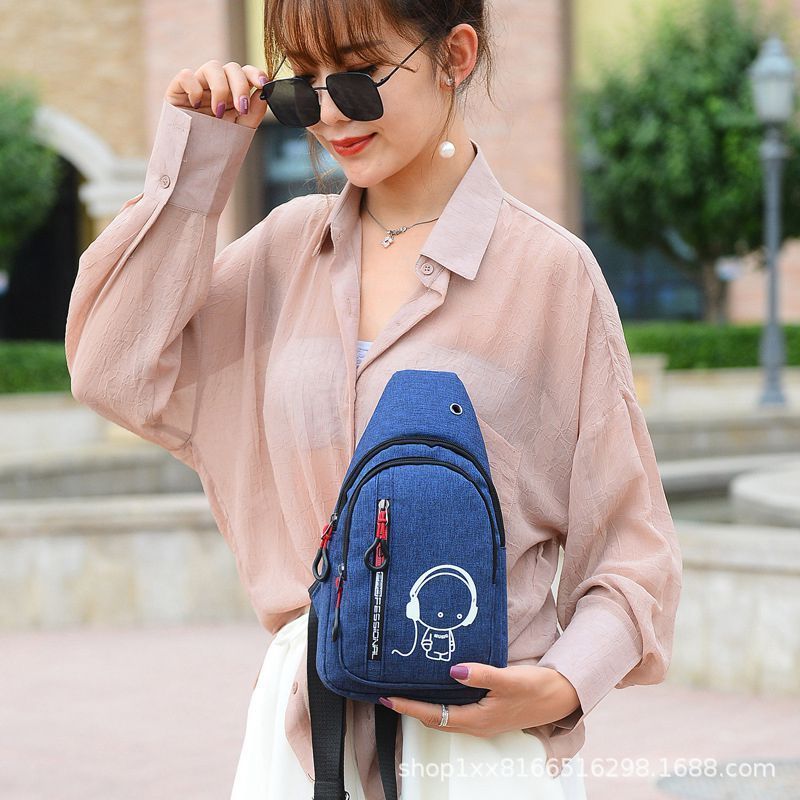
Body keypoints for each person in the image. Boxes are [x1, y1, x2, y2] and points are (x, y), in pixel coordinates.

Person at [65, 1, 683, 798]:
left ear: (455, 55)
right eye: (303, 85)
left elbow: (633, 547)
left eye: (358, 75)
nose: (329, 113)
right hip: (303, 739)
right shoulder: (282, 255)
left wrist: (563, 685)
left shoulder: (550, 275)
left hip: (473, 744)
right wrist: (197, 163)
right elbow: (113, 370)